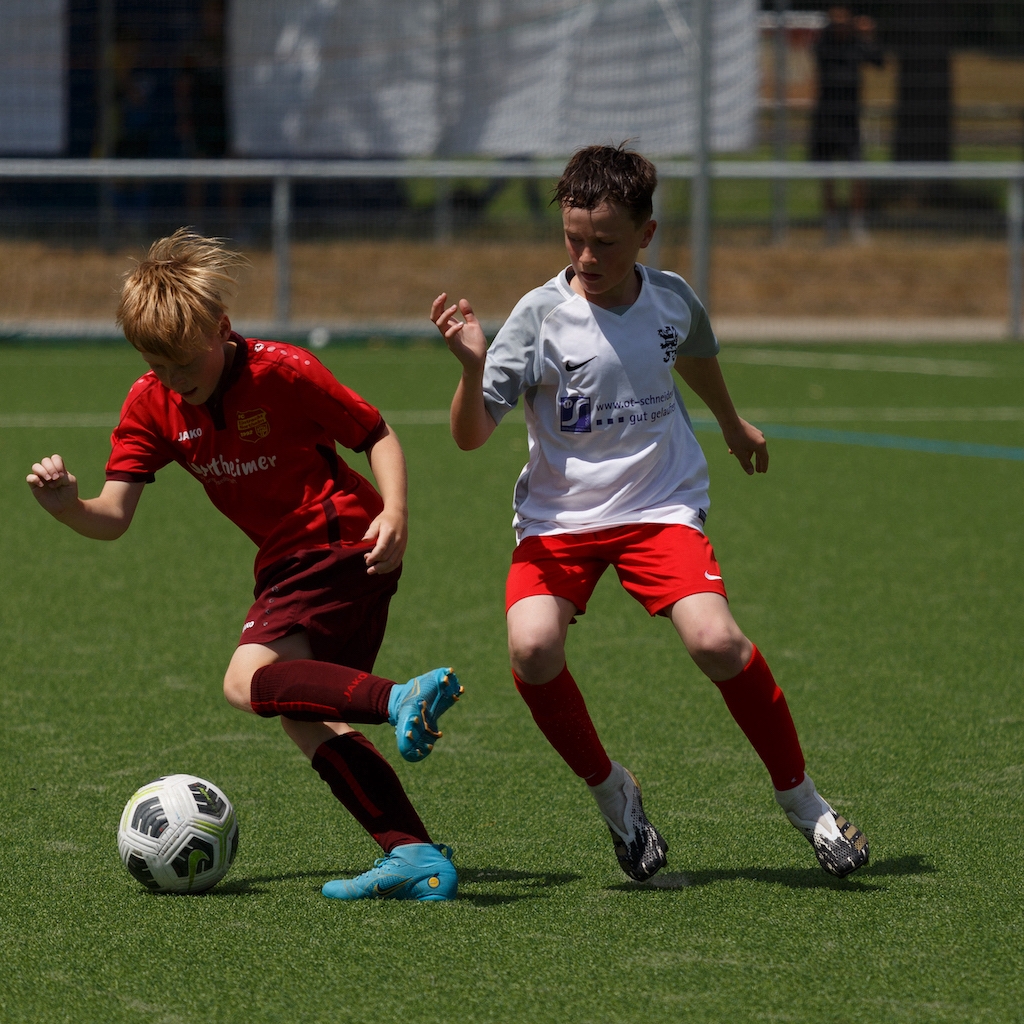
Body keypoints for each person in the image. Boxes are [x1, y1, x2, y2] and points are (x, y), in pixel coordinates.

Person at [431, 144, 869, 883]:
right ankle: (615, 796)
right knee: (532, 649)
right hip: (559, 521)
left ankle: (805, 803)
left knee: (716, 640)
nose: (586, 257)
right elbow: (471, 436)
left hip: (659, 506)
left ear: (646, 234)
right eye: (573, 239)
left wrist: (731, 422)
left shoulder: (671, 298)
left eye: (605, 242)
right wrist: (473, 371)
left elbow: (690, 351)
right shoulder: (538, 318)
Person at [27, 229, 463, 901]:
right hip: (294, 561)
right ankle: (415, 856)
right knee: (303, 713)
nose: (175, 381)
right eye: (158, 365)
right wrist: (66, 506)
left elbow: (374, 433)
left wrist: (397, 511)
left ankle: (399, 699)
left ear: (221, 328)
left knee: (244, 680)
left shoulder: (283, 371)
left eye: (184, 364)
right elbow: (112, 514)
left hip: (339, 539)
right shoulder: (152, 403)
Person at [809, 7, 883, 243]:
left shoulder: (857, 44)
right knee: (827, 174)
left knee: (857, 171)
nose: (841, 28)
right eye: (836, 24)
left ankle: (857, 224)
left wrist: (868, 35)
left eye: (844, 24)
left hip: (850, 120)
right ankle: (831, 223)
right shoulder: (823, 45)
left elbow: (878, 61)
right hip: (826, 118)